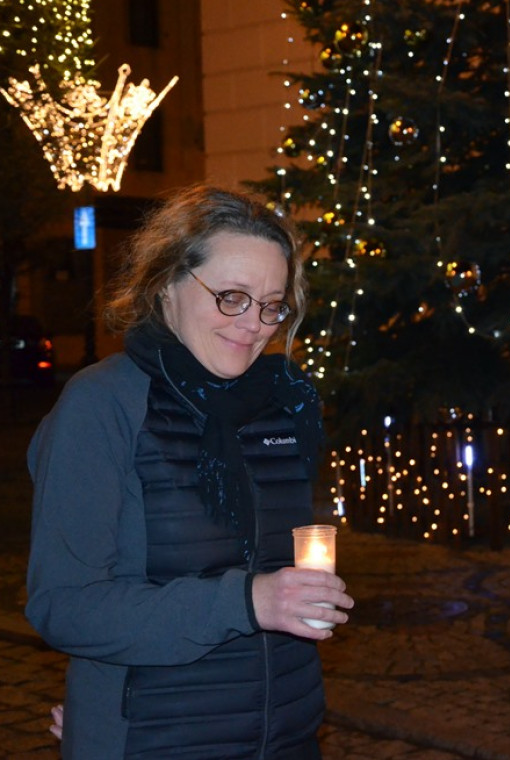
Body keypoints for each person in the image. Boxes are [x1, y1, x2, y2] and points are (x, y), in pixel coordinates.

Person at [26, 184, 354, 759]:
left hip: (284, 741)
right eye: (231, 296)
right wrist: (247, 603)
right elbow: (65, 604)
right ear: (167, 285)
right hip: (156, 741)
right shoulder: (103, 404)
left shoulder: (283, 406)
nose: (253, 323)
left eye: (272, 305)